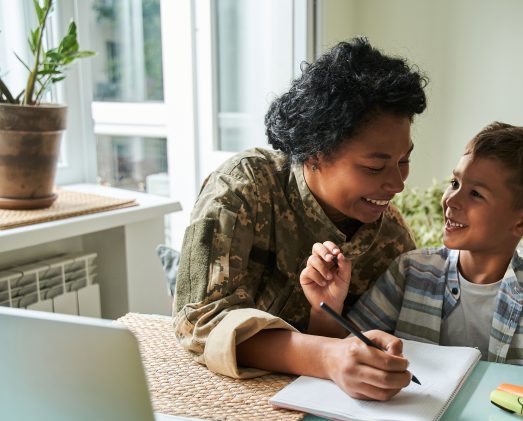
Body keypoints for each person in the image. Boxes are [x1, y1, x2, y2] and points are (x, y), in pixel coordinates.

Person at [173, 37, 428, 400]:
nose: (398, 183)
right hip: (218, 399)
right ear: (315, 155)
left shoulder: (391, 238)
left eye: (405, 161)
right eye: (375, 166)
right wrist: (327, 357)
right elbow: (198, 323)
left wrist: (336, 327)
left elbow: (370, 344)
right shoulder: (243, 187)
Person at [301, 122, 523, 382]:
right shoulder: (410, 271)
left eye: (476, 194)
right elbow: (345, 352)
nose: (451, 200)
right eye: (455, 183)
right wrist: (326, 307)